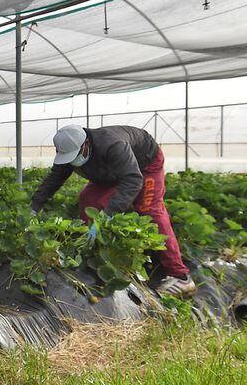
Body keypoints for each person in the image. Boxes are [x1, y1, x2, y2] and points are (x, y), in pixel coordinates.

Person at [30, 124, 197, 298]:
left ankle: (180, 275)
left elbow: (133, 181)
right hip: (113, 170)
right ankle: (93, 255)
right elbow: (54, 180)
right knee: (88, 199)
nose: (73, 161)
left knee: (148, 208)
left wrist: (107, 215)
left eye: (75, 156)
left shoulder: (113, 144)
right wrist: (34, 207)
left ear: (86, 144)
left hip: (145, 164)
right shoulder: (70, 153)